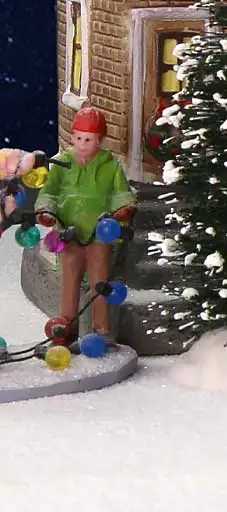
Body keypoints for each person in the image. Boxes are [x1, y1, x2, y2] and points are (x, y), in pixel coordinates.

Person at [34, 106, 135, 343]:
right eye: (78, 138)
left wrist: (123, 208)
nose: (82, 144)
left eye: (88, 139)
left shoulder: (111, 165)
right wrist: (46, 211)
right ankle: (65, 329)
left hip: (99, 234)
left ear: (100, 140)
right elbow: (49, 192)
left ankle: (102, 330)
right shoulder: (62, 164)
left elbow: (121, 192)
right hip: (69, 235)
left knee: (100, 283)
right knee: (69, 282)